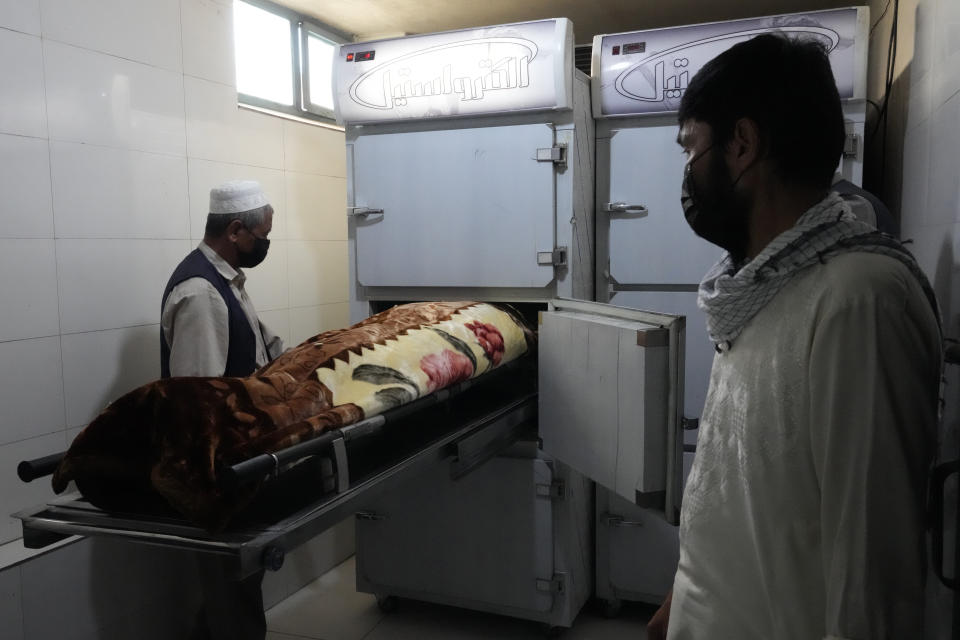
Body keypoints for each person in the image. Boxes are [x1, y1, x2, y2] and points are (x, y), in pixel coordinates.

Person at [648, 34, 942, 640]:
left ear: (742, 144)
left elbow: (873, 585)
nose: (687, 173)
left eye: (691, 147)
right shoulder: (757, 287)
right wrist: (681, 598)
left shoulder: (857, 300)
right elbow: (740, 489)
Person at [161, 179, 284, 640]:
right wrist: (217, 480)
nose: (264, 245)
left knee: (236, 586)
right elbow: (199, 400)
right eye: (262, 236)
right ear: (236, 231)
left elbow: (261, 347)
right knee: (230, 587)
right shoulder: (201, 293)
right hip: (220, 467)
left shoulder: (227, 283)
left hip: (241, 457)